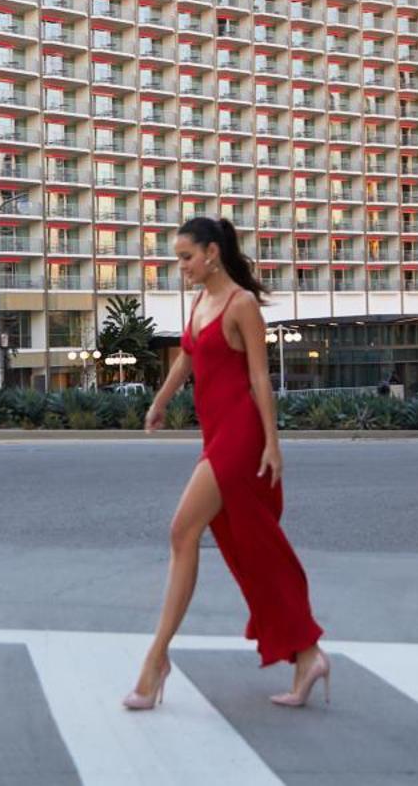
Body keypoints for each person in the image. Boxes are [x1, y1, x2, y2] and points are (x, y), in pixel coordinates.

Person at [126, 216, 329, 711]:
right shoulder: (201, 301)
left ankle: (155, 662)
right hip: (215, 433)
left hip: (240, 436)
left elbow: (261, 380)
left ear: (212, 252)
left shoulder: (241, 305)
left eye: (186, 257)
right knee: (249, 550)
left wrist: (273, 445)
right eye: (178, 259)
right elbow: (186, 359)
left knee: (181, 532)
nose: (182, 268)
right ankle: (308, 654)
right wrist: (160, 401)